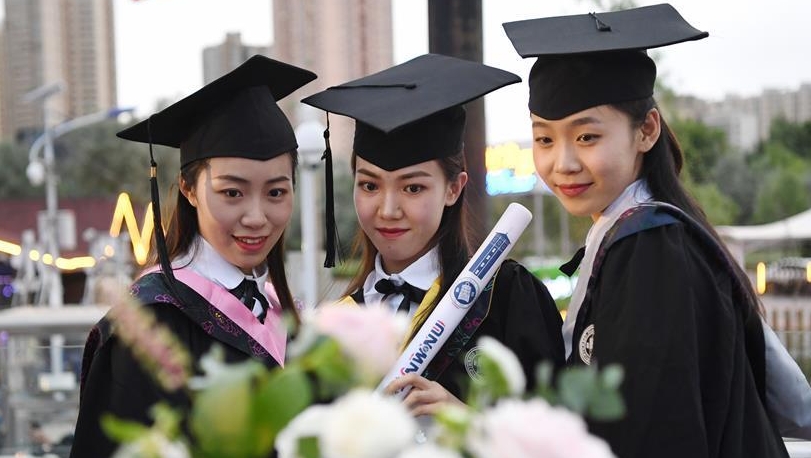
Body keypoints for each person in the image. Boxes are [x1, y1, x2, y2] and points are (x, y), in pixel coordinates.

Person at [504, 4, 790, 457]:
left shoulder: (650, 251)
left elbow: (650, 433)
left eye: (586, 137)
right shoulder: (641, 236)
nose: (563, 163)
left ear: (647, 131)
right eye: (544, 139)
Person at [69, 55, 317, 458]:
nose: (256, 218)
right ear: (188, 189)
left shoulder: (282, 312)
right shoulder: (152, 322)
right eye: (232, 192)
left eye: (276, 192)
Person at [302, 53, 565, 415]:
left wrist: (466, 421)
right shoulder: (339, 322)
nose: (388, 209)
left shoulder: (505, 298)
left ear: (453, 189)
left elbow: (559, 428)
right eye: (369, 185)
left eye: (413, 188)